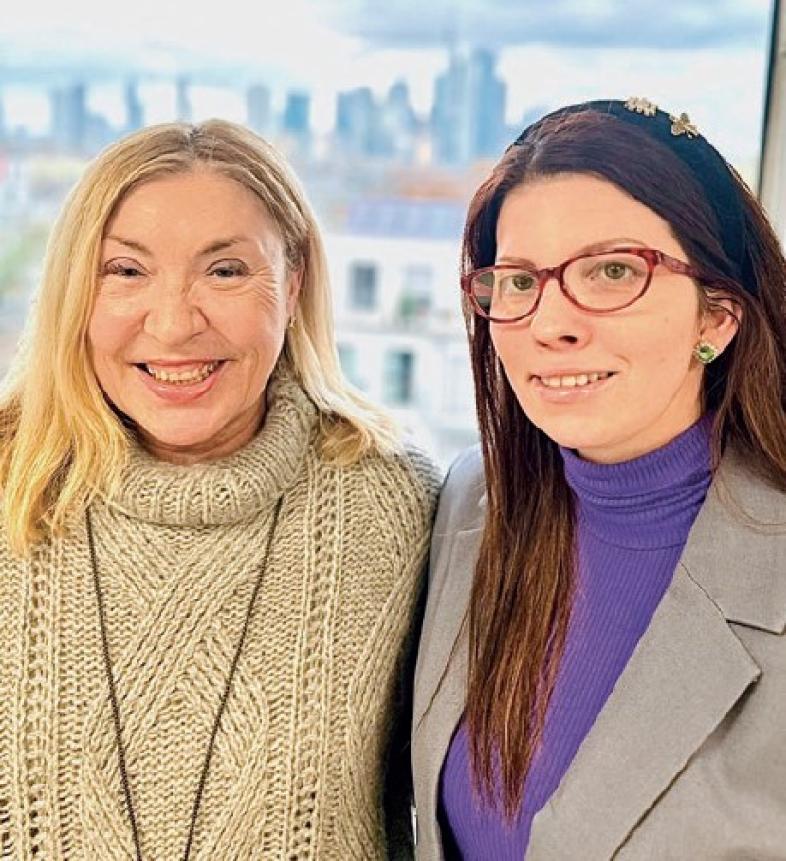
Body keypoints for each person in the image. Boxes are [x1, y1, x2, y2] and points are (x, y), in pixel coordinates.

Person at [0, 119, 439, 860]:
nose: (173, 325)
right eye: (126, 271)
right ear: (76, 289)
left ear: (293, 281)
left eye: (226, 270)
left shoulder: (395, 506)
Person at [412, 97, 786, 859]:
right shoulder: (465, 501)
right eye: (518, 281)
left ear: (717, 316)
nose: (551, 321)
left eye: (612, 270)